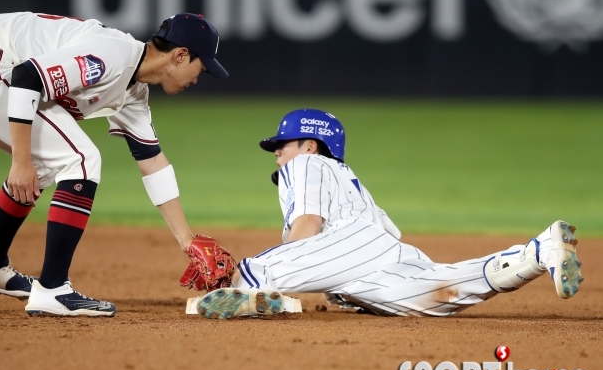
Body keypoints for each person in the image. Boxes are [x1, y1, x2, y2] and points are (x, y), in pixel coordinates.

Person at [0, 12, 228, 317]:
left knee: (55, 161)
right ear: (181, 56)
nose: (198, 78)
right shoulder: (112, 54)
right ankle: (53, 289)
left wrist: (187, 241)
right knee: (81, 158)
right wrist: (21, 161)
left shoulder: (134, 92)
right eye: (202, 67)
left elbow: (152, 160)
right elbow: (27, 77)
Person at [194, 109, 585, 319]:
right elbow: (386, 236)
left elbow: (309, 226)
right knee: (444, 291)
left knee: (250, 272)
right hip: (382, 255)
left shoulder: (305, 165)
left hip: (352, 245)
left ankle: (252, 291)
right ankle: (538, 253)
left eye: (283, 144)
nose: (278, 153)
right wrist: (332, 278)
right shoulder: (349, 180)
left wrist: (273, 268)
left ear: (310, 145)